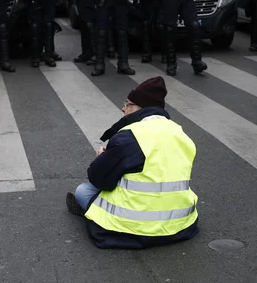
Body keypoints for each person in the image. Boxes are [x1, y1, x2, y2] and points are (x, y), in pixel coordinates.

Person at [66, 76, 199, 249]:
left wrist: (103, 158)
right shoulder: (180, 134)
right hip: (179, 224)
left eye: (127, 104)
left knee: (82, 190)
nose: (123, 109)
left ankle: (89, 211)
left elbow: (98, 179)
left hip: (131, 227)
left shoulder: (130, 136)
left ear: (139, 108)